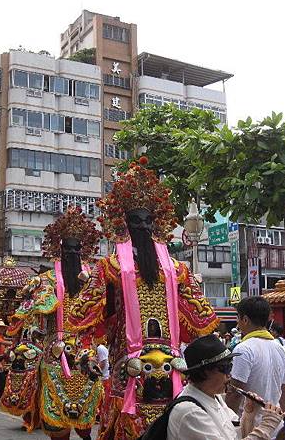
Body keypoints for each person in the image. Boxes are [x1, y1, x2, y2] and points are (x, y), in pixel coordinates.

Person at [68, 158, 219, 440]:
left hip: (168, 368)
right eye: (136, 221)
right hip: (131, 367)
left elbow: (203, 319)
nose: (144, 227)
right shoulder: (112, 268)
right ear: (125, 224)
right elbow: (81, 317)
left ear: (156, 224)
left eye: (148, 221)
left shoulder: (175, 270)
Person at [5, 207, 104, 439]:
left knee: (86, 416)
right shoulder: (46, 281)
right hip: (54, 355)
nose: (72, 253)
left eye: (77, 248)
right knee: (57, 424)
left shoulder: (94, 279)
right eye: (67, 248)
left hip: (85, 354)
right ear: (59, 250)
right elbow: (29, 311)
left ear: (83, 250)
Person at [167, 335, 284, 440]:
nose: (230, 374)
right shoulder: (190, 411)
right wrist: (266, 426)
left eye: (230, 366)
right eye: (225, 368)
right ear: (204, 372)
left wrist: (249, 415)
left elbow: (235, 435)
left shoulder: (214, 398)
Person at [225, 297, 285, 438]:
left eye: (238, 318)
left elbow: (235, 392)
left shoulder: (244, 349)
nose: (237, 323)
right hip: (274, 426)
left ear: (245, 319)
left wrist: (227, 421)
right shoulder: (280, 348)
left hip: (248, 427)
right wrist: (276, 418)